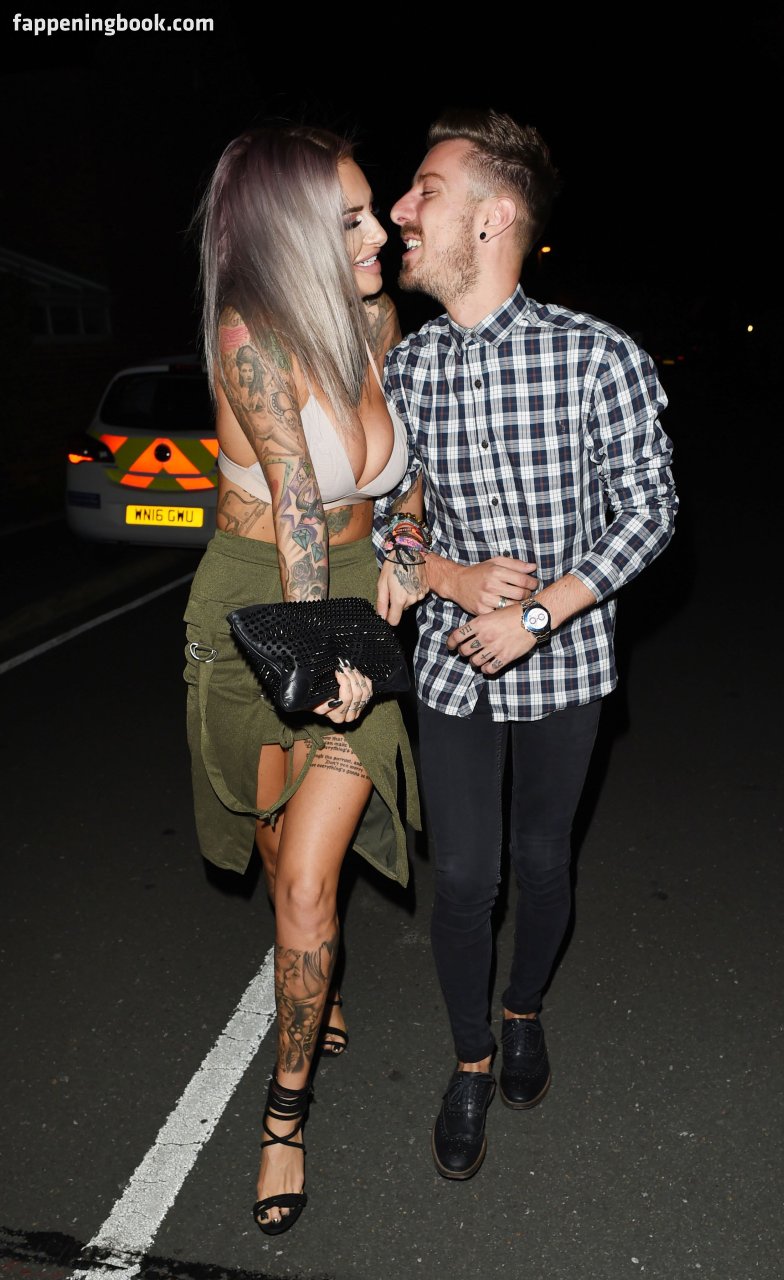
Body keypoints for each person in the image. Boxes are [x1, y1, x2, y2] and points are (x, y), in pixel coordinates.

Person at [375, 107, 679, 1180]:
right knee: (464, 879)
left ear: (493, 217)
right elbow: (395, 511)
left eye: (425, 190)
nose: (401, 210)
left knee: (543, 860)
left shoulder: (596, 356)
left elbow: (651, 509)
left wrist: (541, 610)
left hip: (568, 661)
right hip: (452, 662)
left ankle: (522, 1011)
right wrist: (443, 574)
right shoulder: (407, 370)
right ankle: (468, 1063)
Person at [184, 124, 421, 1234]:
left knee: (309, 885)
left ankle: (283, 1118)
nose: (379, 234)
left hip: (352, 596)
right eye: (352, 220)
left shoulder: (375, 320)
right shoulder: (251, 335)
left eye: (373, 212)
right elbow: (292, 508)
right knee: (278, 849)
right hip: (255, 608)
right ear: (290, 234)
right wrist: (315, 653)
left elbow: (401, 480)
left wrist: (407, 547)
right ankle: (312, 980)